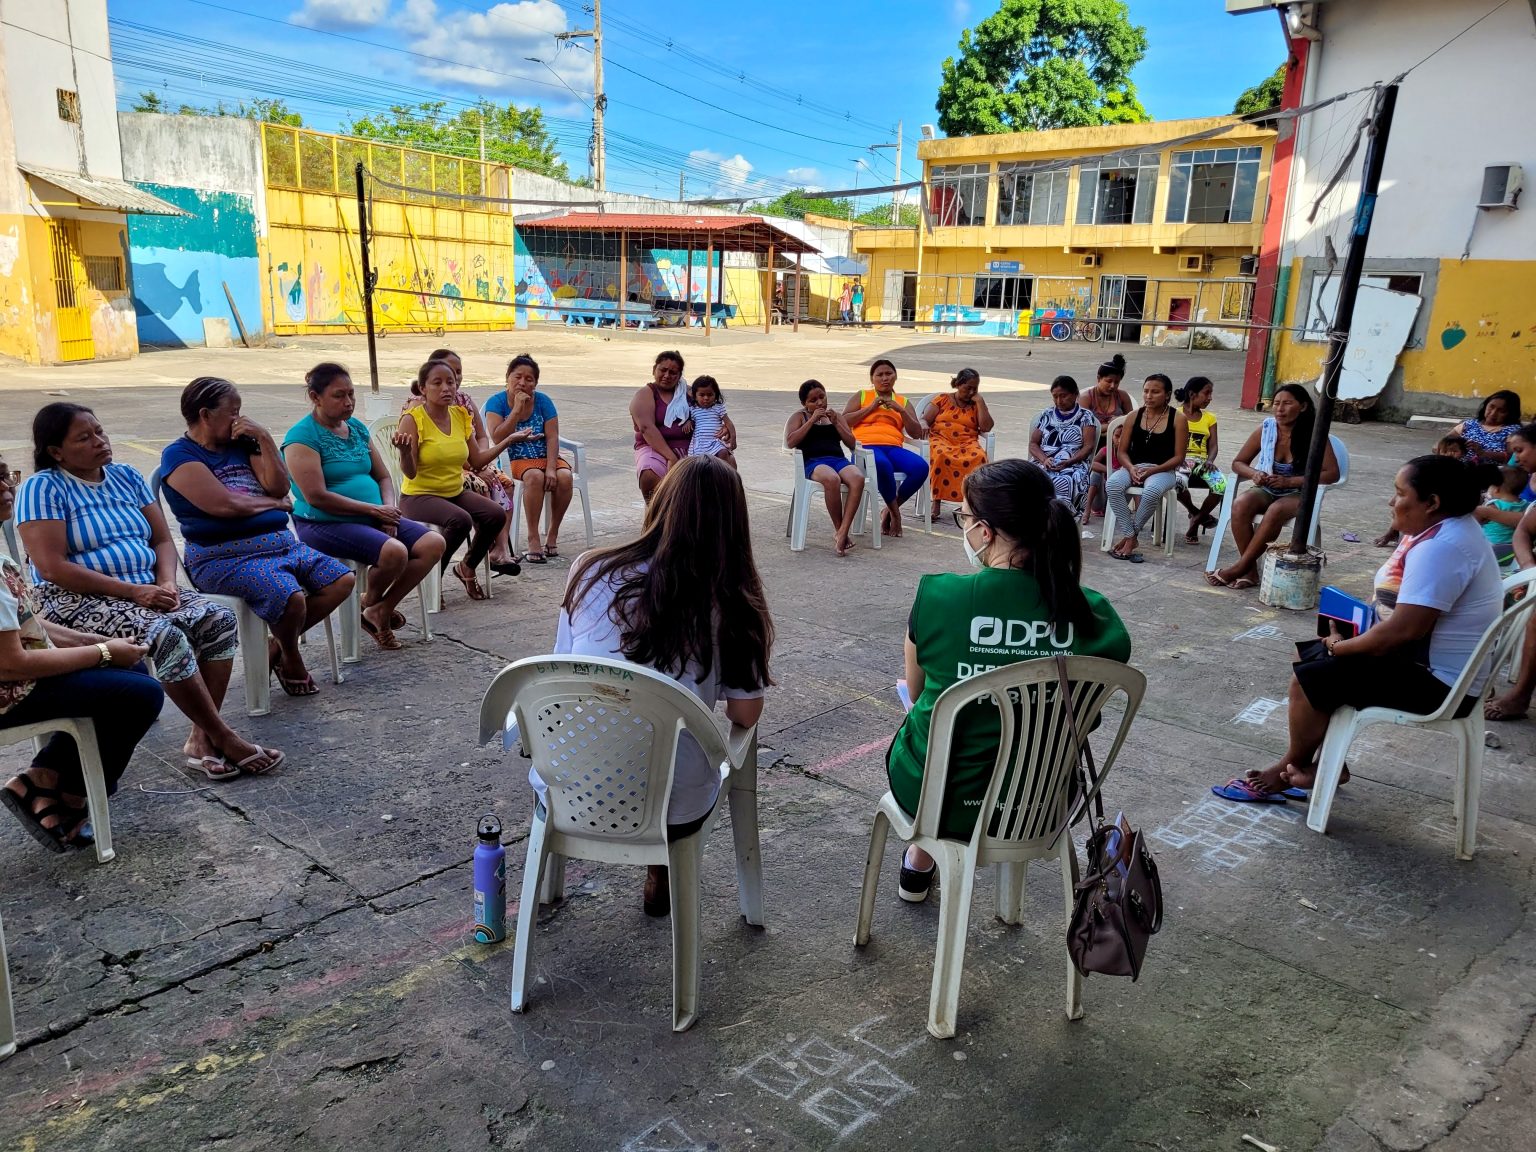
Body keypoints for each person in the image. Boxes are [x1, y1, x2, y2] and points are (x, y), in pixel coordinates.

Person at [885, 460, 1132, 902]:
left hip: (940, 799)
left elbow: (918, 694)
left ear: (984, 531)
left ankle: (921, 855)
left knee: (928, 724)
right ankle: (925, 856)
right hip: (1042, 802)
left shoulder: (940, 596)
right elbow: (1089, 707)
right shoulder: (1093, 613)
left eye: (964, 517)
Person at [547, 456, 773, 916]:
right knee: (676, 744)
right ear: (733, 526)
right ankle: (662, 868)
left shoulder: (589, 569)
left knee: (625, 723)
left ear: (660, 503)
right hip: (671, 801)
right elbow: (745, 715)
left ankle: (549, 877)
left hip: (569, 781)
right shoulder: (733, 602)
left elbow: (562, 666)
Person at [1213, 456, 1502, 802]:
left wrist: (1339, 647)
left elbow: (1403, 631)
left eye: (1400, 494)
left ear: (1432, 502)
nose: (1391, 502)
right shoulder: (1441, 529)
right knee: (1310, 654)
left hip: (1440, 684)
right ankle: (1328, 764)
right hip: (1430, 663)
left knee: (1311, 677)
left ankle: (1290, 769)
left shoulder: (1442, 548)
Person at [16, 402, 281, 778]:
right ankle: (223, 735)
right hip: (72, 599)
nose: (99, 441)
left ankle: (200, 738)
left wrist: (167, 582)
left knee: (218, 620)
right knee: (165, 634)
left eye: (99, 431)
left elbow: (161, 540)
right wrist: (132, 592)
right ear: (56, 451)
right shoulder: (42, 487)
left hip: (146, 587)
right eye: (84, 438)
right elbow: (52, 567)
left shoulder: (125, 476)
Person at [0, 457, 165, 852]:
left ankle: (43, 780)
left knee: (134, 670)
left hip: (16, 675)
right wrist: (102, 652)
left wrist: (88, 640)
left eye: (5, 477)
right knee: (141, 695)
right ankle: (69, 795)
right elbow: (11, 664)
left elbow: (27, 622)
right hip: (9, 690)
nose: (6, 489)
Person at [161, 377, 357, 698]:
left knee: (341, 581)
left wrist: (263, 437)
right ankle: (291, 657)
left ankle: (276, 647)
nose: (239, 419)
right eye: (232, 412)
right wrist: (274, 505)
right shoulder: (179, 455)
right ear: (205, 415)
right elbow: (224, 505)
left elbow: (280, 487)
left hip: (281, 546)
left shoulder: (243, 444)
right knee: (290, 596)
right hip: (223, 557)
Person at [283, 362, 446, 650]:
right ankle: (373, 605)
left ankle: (377, 608)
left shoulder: (356, 428)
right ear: (315, 397)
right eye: (339, 396)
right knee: (394, 552)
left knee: (433, 543)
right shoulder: (302, 437)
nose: (348, 402)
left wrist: (388, 512)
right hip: (325, 522)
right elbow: (317, 496)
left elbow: (383, 477)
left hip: (372, 516)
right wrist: (374, 511)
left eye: (351, 394)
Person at [396, 358, 530, 599]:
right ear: (423, 388)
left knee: (495, 514)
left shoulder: (459, 415)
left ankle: (467, 566)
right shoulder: (413, 419)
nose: (446, 388)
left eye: (451, 382)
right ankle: (432, 579)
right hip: (419, 496)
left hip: (453, 491)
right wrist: (405, 453)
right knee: (460, 520)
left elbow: (477, 461)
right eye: (437, 383)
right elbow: (410, 473)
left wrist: (508, 440)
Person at [1205, 383, 1340, 590]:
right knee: (1240, 505)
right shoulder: (1267, 430)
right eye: (1276, 403)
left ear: (1303, 406)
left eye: (1287, 403)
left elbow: (1332, 473)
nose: (1280, 409)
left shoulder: (1314, 433)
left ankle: (1240, 567)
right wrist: (1254, 473)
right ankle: (1250, 572)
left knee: (1276, 510)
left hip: (1298, 492)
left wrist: (1291, 481)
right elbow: (1238, 463)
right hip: (1268, 488)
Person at [483, 353, 574, 564]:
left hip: (545, 455)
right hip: (515, 457)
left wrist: (551, 467)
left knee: (565, 477)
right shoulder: (496, 402)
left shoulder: (543, 401)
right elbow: (497, 437)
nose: (522, 383)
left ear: (535, 384)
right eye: (517, 377)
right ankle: (533, 537)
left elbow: (552, 436)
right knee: (534, 477)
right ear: (507, 378)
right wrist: (516, 410)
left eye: (529, 379)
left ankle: (552, 534)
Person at [1104, 374, 1189, 563]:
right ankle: (1131, 537)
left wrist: (1152, 471)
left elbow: (1178, 457)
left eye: (1155, 392)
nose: (1149, 396)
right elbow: (1122, 452)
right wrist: (1130, 468)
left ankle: (1129, 539)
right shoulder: (1134, 416)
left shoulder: (1178, 418)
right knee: (1112, 485)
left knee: (1151, 492)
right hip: (1134, 467)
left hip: (1163, 470)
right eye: (1146, 391)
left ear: (1167, 395)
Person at [843, 359, 929, 538]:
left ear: (895, 376)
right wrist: (871, 407)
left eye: (889, 374)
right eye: (879, 375)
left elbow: (916, 433)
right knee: (882, 464)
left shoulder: (902, 401)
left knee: (921, 467)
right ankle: (895, 515)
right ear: (872, 379)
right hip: (865, 448)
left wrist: (902, 411)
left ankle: (889, 510)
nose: (885, 378)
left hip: (893, 448)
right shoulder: (862, 396)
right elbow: (844, 421)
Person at [784, 379, 865, 556]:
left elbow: (851, 443)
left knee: (858, 478)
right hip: (814, 461)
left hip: (838, 459)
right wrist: (812, 420)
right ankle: (839, 530)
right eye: (813, 400)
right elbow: (790, 442)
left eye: (822, 397)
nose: (820, 402)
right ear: (804, 404)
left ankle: (843, 531)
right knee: (832, 479)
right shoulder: (799, 417)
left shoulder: (835, 416)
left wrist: (836, 423)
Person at [923, 368, 994, 518]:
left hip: (967, 442)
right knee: (941, 456)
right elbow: (925, 419)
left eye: (975, 389)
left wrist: (980, 402)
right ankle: (936, 502)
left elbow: (986, 427)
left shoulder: (976, 404)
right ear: (958, 384)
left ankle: (970, 504)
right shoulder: (942, 399)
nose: (971, 392)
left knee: (979, 457)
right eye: (968, 388)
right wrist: (923, 423)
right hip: (941, 439)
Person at [1375, 434, 1466, 548]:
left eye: (1454, 451)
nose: (1449, 454)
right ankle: (1392, 533)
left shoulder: (1463, 473)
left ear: (1464, 453)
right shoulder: (1430, 470)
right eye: (1445, 451)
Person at [1029, 375, 1100, 516]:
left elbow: (1088, 447)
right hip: (1044, 462)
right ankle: (1034, 522)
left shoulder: (1085, 416)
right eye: (1055, 397)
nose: (1058, 401)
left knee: (1064, 481)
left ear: (1075, 394)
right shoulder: (1046, 414)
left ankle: (1061, 522)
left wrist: (1069, 461)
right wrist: (1044, 460)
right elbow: (1033, 444)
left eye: (1063, 396)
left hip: (1074, 464)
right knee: (1027, 479)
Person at [630, 350, 693, 501]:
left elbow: (712, 411)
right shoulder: (645, 394)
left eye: (673, 372)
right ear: (654, 369)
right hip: (654, 448)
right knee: (649, 473)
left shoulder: (690, 393)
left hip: (690, 446)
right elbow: (646, 428)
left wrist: (727, 426)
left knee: (723, 464)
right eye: (663, 370)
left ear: (679, 375)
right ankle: (658, 513)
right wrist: (671, 457)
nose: (666, 375)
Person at [1082, 354, 1133, 522]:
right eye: (1108, 381)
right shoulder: (1087, 398)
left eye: (1116, 382)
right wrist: (1110, 425)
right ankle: (1089, 507)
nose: (1112, 386)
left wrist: (1114, 426)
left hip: (1118, 446)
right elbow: (1084, 428)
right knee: (1095, 471)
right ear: (1099, 378)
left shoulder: (1122, 397)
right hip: (1094, 446)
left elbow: (1131, 423)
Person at [1173, 376, 1222, 545]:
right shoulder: (1175, 414)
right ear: (1192, 394)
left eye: (1211, 393)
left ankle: (1195, 521)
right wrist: (1176, 459)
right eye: (1206, 393)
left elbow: (1214, 445)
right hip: (1180, 461)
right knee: (1177, 483)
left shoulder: (1210, 418)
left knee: (1221, 485)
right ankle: (1195, 512)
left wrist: (1210, 460)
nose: (1210, 398)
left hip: (1202, 463)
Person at [1475, 466, 1530, 573]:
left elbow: (1475, 521)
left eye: (1489, 486)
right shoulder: (1526, 505)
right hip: (1514, 548)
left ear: (1496, 489)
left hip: (1492, 547)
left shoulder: (1493, 505)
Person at [1451, 390, 1522, 465]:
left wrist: (1483, 453)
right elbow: (1445, 443)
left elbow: (1512, 457)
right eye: (1491, 407)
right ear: (1485, 405)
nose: (1493, 413)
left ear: (1510, 414)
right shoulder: (1469, 424)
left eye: (1501, 411)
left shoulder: (1513, 431)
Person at [686, 376, 738, 469]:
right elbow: (688, 420)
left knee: (723, 453)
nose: (706, 398)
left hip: (715, 442)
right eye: (702, 395)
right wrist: (688, 422)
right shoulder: (693, 409)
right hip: (700, 443)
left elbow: (728, 423)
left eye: (710, 395)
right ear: (695, 396)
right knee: (700, 464)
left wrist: (733, 438)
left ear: (716, 395)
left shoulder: (718, 408)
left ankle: (723, 472)